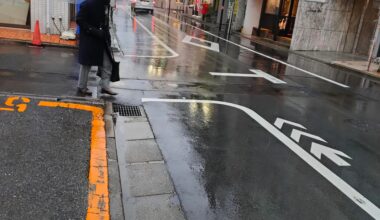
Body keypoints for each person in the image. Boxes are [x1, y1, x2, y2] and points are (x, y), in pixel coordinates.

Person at [76, 0, 117, 96]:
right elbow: (79, 19)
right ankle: (81, 87)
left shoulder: (105, 5)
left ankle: (105, 86)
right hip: (90, 39)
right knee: (86, 64)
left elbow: (106, 23)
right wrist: (92, 30)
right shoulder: (88, 4)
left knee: (107, 63)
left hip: (102, 39)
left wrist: (107, 36)